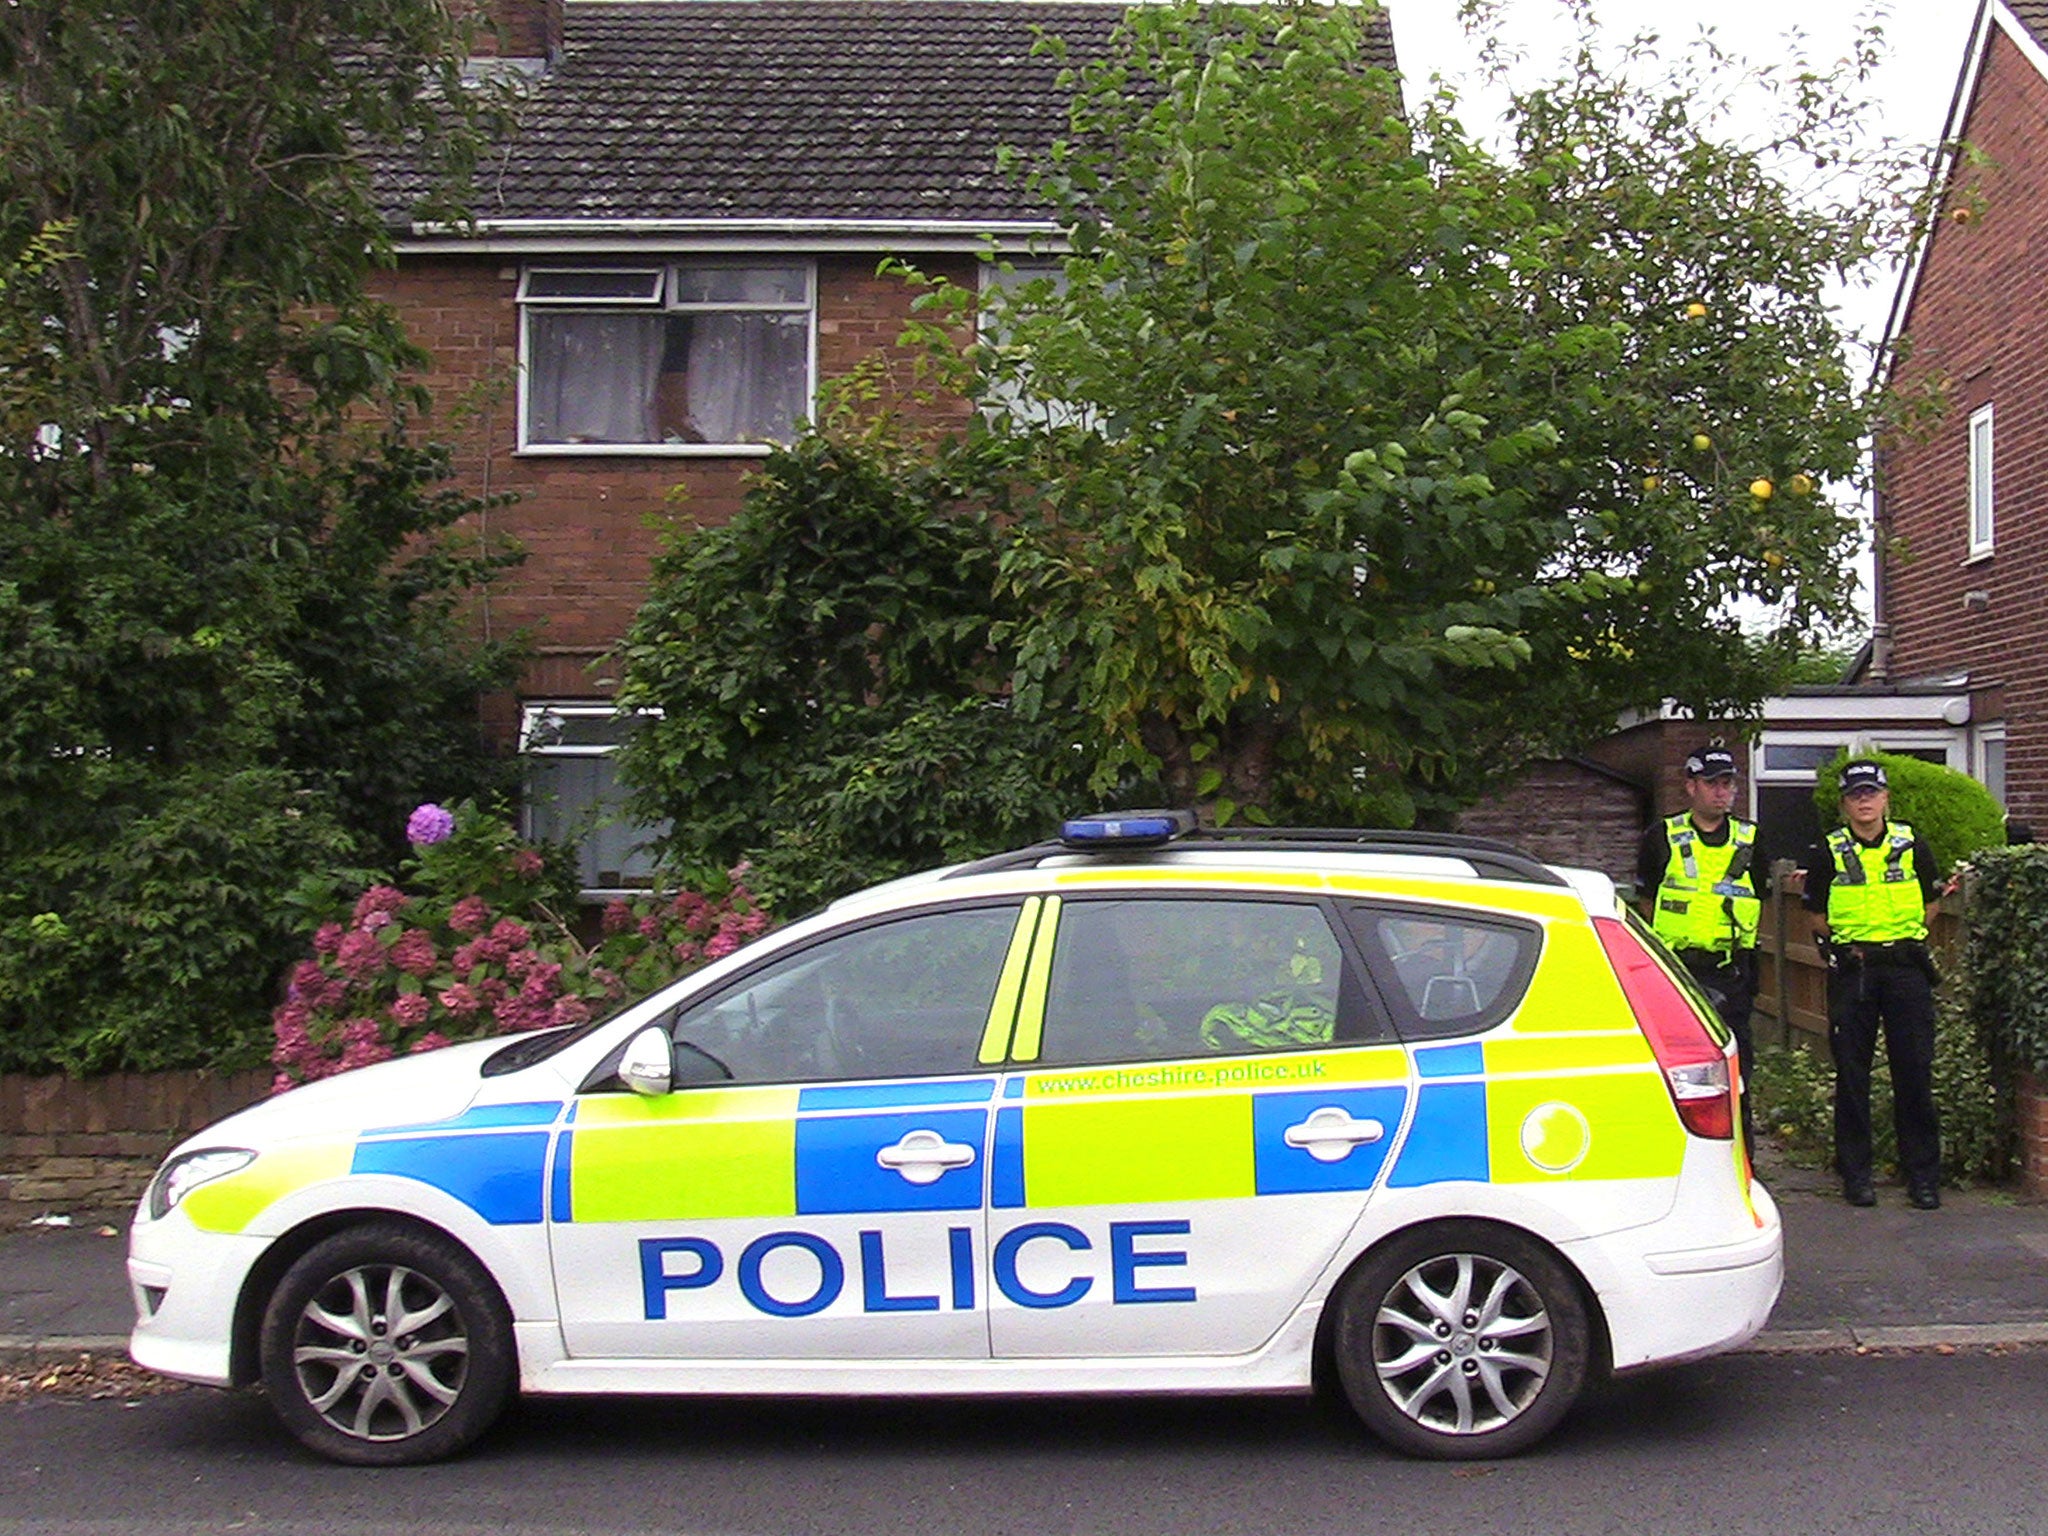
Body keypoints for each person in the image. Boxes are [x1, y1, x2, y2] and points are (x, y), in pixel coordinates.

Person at [1799, 759, 1944, 1209]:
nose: (1865, 801)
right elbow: (1816, 915)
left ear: (1885, 799)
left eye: (1872, 793)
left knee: (1915, 1073)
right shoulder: (1826, 851)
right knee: (1852, 1075)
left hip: (1905, 969)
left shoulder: (1911, 843)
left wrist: (1900, 937)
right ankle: (1856, 1176)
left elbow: (1932, 902)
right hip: (1854, 972)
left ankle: (1922, 1177)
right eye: (1856, 794)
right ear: (1844, 804)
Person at [1637, 745, 1765, 1143]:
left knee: (1735, 1072)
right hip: (1676, 973)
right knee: (1676, 1069)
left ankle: (1742, 1160)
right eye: (1712, 783)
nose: (1721, 792)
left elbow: (1761, 896)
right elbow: (1647, 902)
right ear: (1691, 787)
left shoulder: (1751, 840)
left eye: (1727, 783)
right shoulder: (1662, 836)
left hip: (1730, 972)